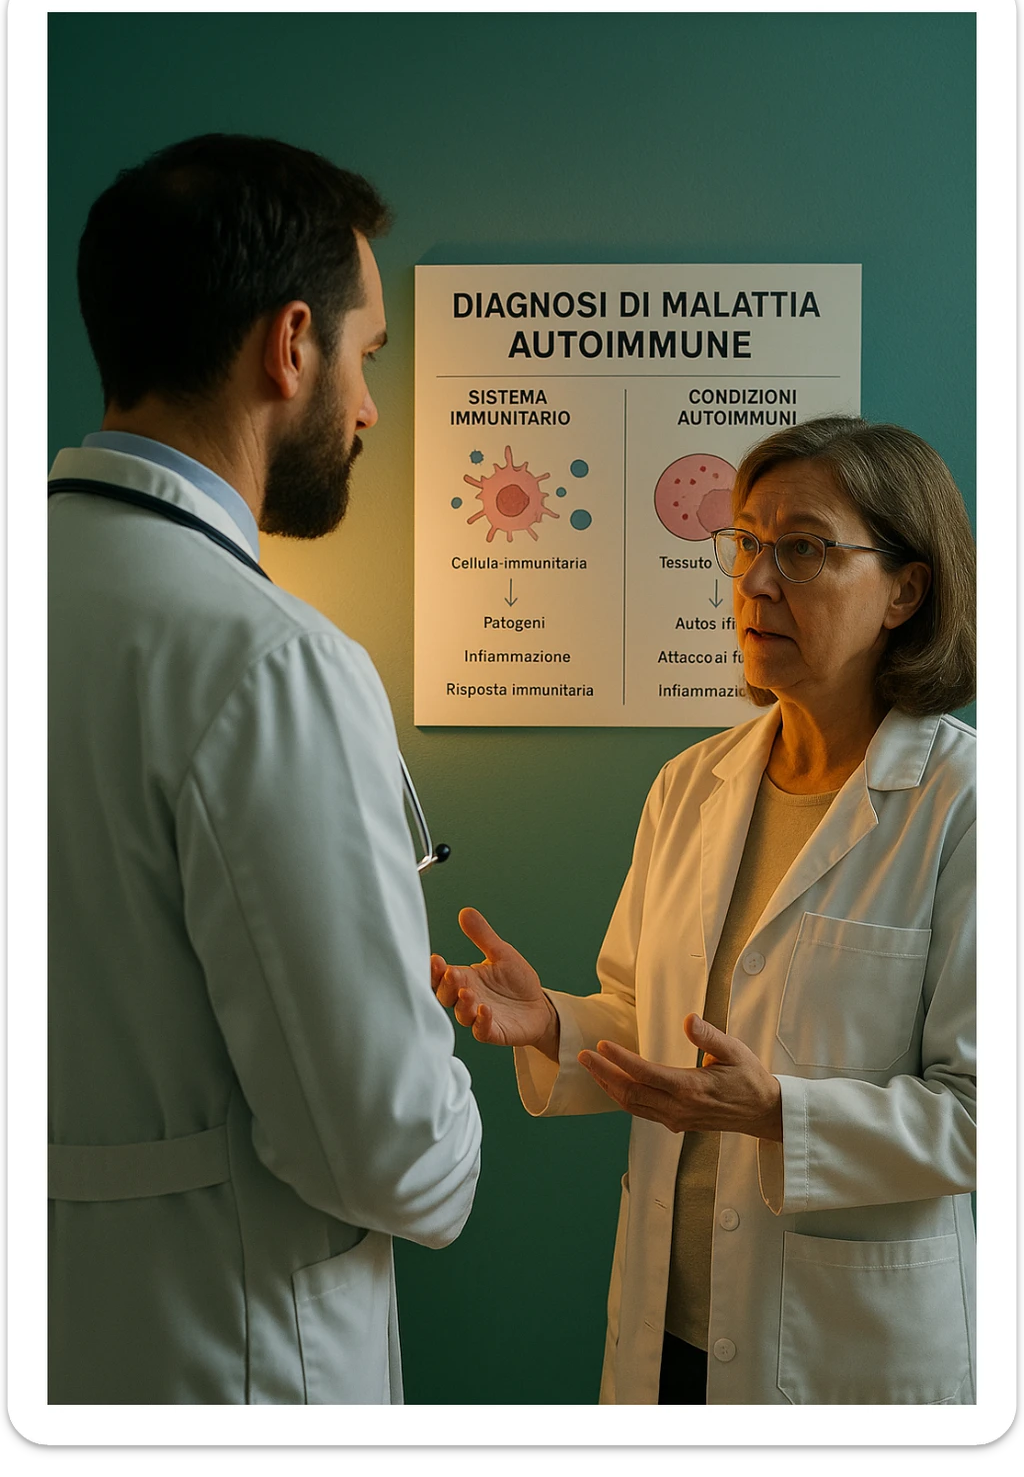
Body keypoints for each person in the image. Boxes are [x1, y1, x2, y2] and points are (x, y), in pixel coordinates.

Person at [48, 134, 481, 1405]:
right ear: (289, 346)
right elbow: (398, 1160)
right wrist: (446, 1095)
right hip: (232, 1372)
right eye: (367, 356)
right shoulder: (268, 662)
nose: (370, 408)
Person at [433, 416, 976, 1406]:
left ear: (906, 587)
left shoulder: (965, 805)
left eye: (803, 549)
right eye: (745, 543)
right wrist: (555, 1020)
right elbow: (658, 1025)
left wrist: (779, 1115)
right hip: (670, 1332)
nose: (756, 582)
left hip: (848, 1352)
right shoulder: (691, 783)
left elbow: (984, 1116)